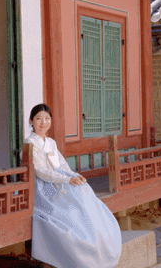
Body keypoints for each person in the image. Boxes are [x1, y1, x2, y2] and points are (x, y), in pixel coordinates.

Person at [25, 103, 122, 268]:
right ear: (31, 121)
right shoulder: (30, 143)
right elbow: (41, 172)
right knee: (69, 207)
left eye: (47, 118)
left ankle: (96, 238)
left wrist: (74, 176)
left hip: (59, 179)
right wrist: (65, 180)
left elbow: (62, 165)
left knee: (83, 190)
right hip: (42, 186)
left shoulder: (51, 142)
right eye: (39, 118)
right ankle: (79, 248)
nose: (43, 122)